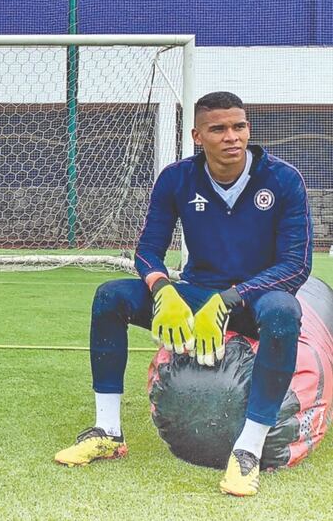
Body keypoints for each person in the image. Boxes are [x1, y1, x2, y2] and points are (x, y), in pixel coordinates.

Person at [54, 91, 312, 497]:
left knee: (284, 309)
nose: (232, 137)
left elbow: (296, 266)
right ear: (197, 135)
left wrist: (230, 298)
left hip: (253, 298)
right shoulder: (177, 178)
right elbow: (148, 250)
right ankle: (108, 430)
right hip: (196, 292)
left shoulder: (282, 180)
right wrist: (164, 291)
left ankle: (248, 449)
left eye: (239, 126)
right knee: (109, 296)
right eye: (219, 129)